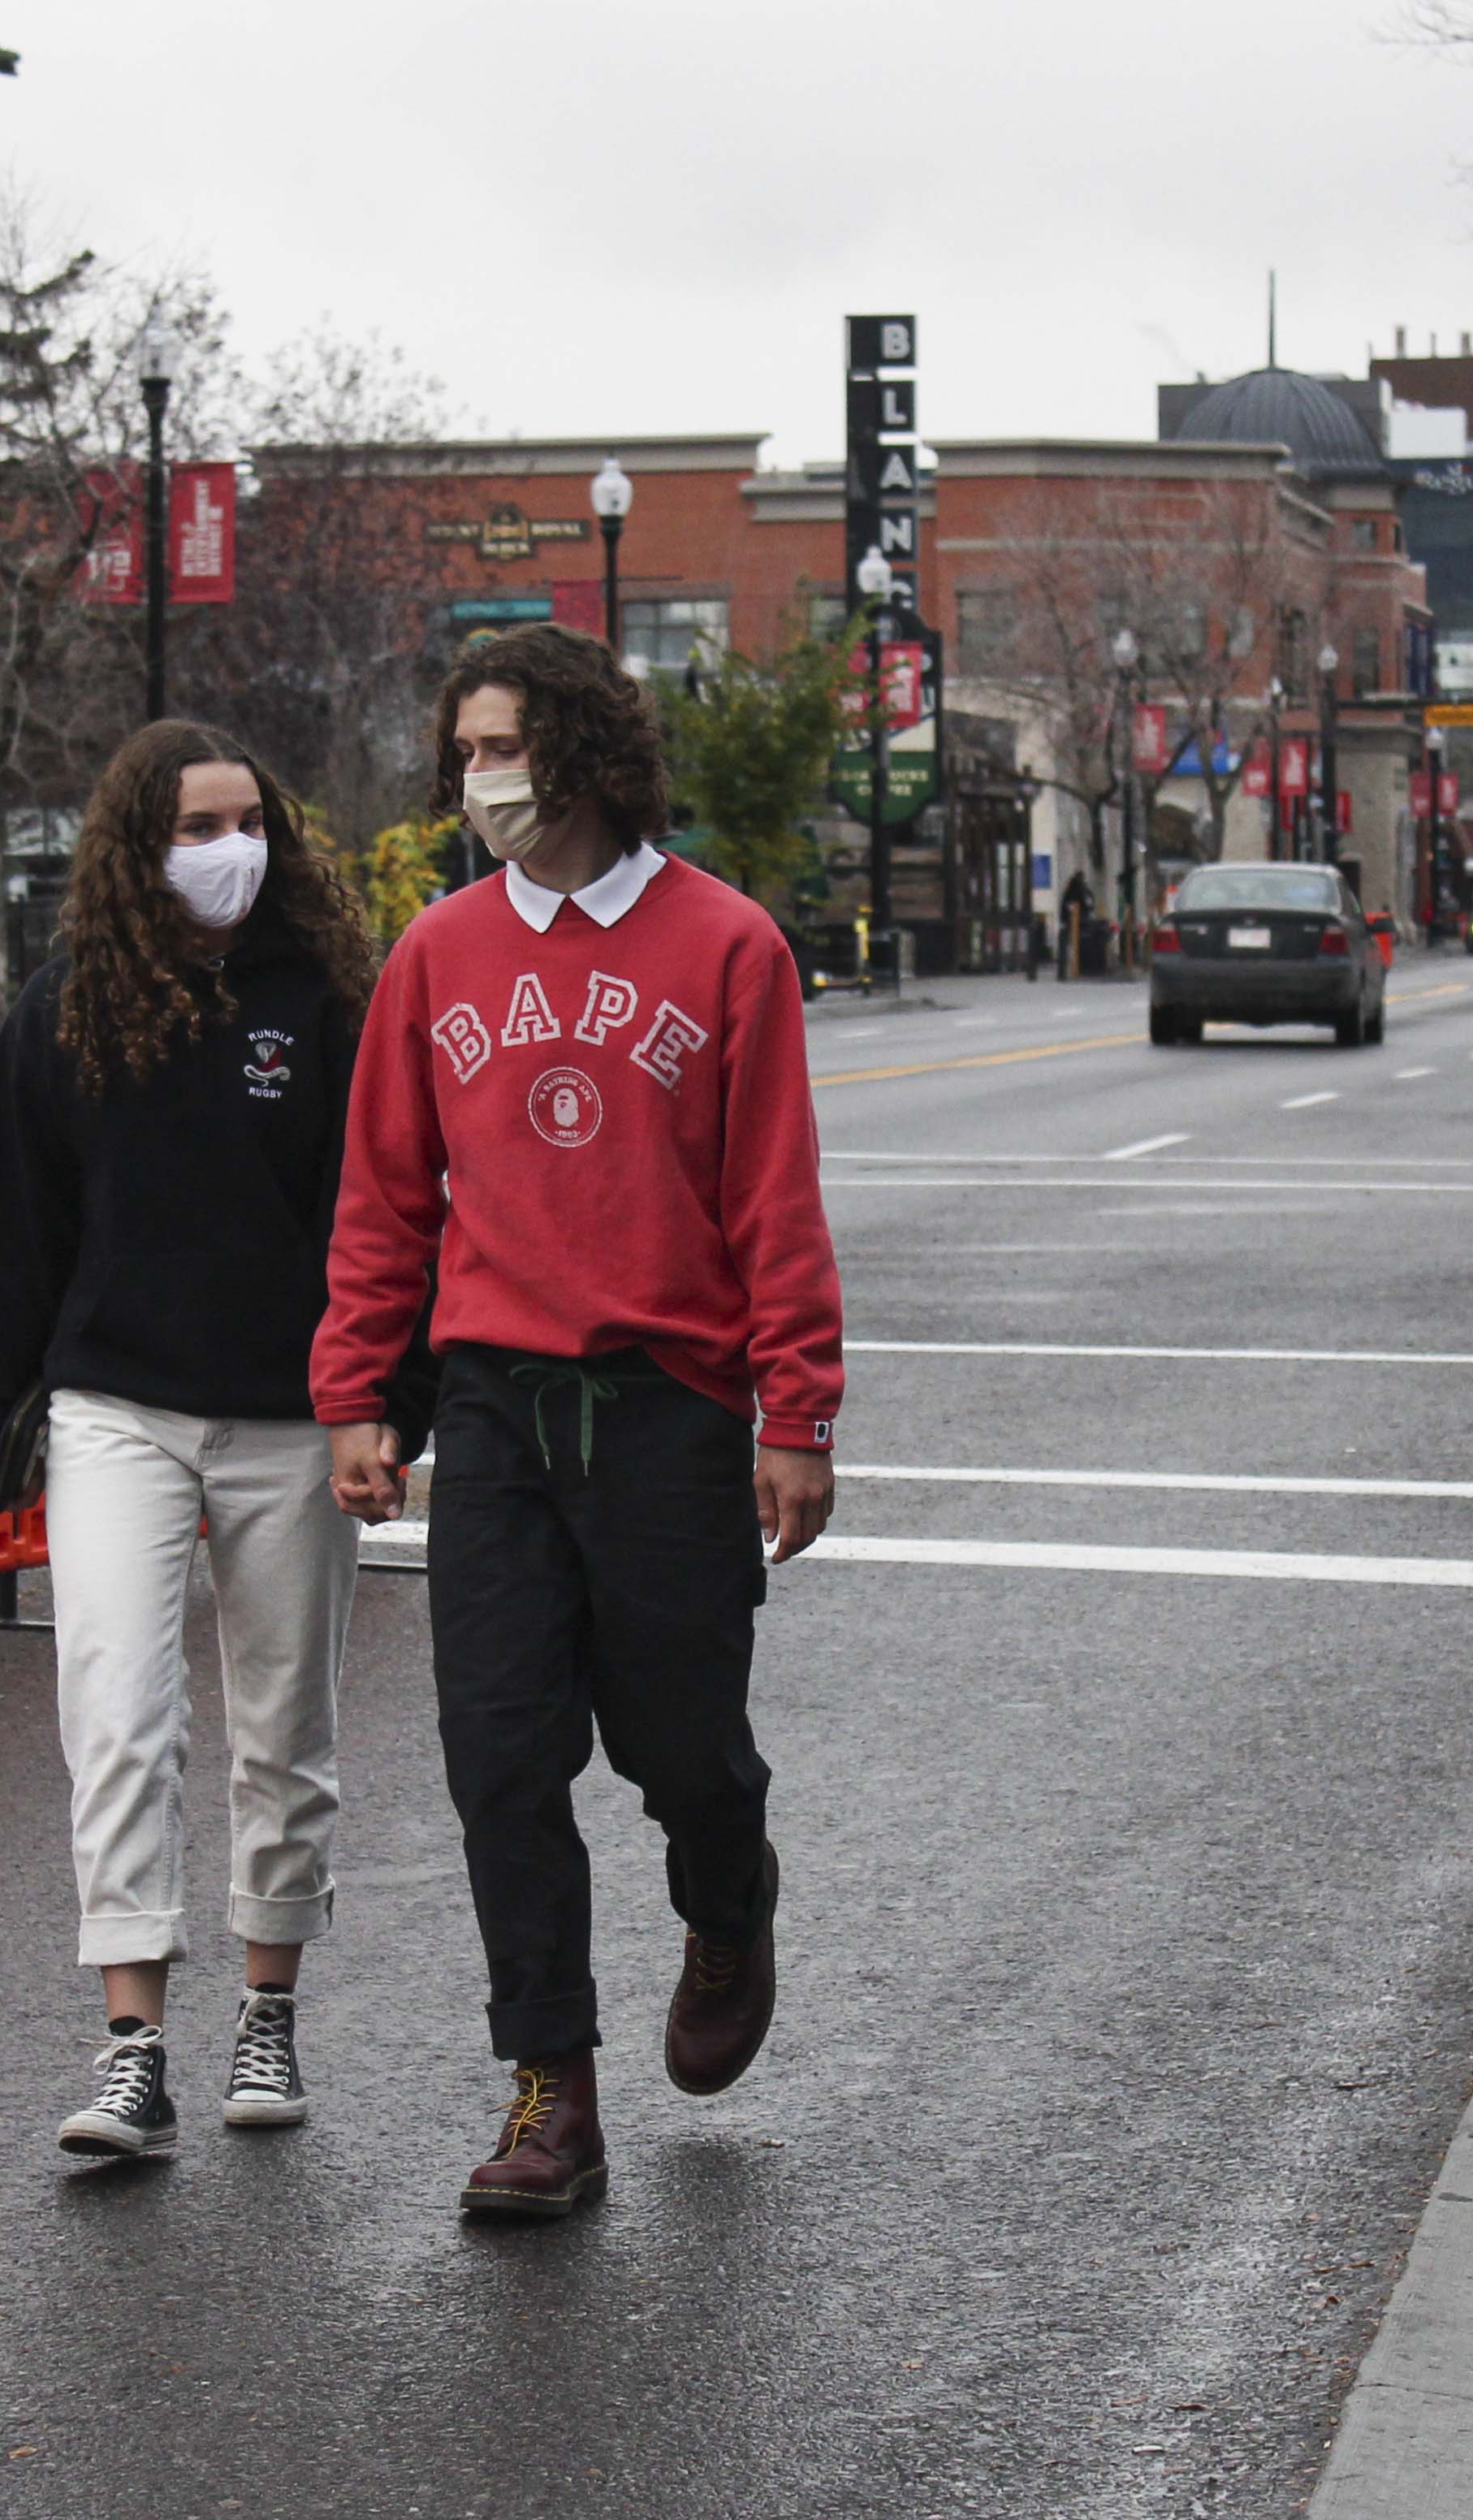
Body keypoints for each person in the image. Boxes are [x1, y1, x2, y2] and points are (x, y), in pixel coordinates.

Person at [313, 624, 842, 2224]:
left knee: (677, 1744)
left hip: (670, 1408)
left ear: (588, 753)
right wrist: (354, 1391)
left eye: (506, 750)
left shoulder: (725, 944)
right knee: (498, 1759)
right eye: (465, 754)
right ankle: (551, 2090)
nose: (484, 783)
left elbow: (773, 1196)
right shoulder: (437, 953)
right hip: (494, 1408)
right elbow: (384, 1196)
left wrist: (797, 1408)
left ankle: (727, 1895)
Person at [0, 718, 425, 2169]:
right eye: (195, 828)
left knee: (286, 1725)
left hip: (294, 1415)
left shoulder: (331, 1001)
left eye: (247, 822)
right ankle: (132, 2039)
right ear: (134, 853)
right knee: (116, 1712)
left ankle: (268, 2003)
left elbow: (388, 1212)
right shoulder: (70, 1006)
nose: (230, 852)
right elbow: (11, 1219)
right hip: (115, 1409)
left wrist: (394, 1393)